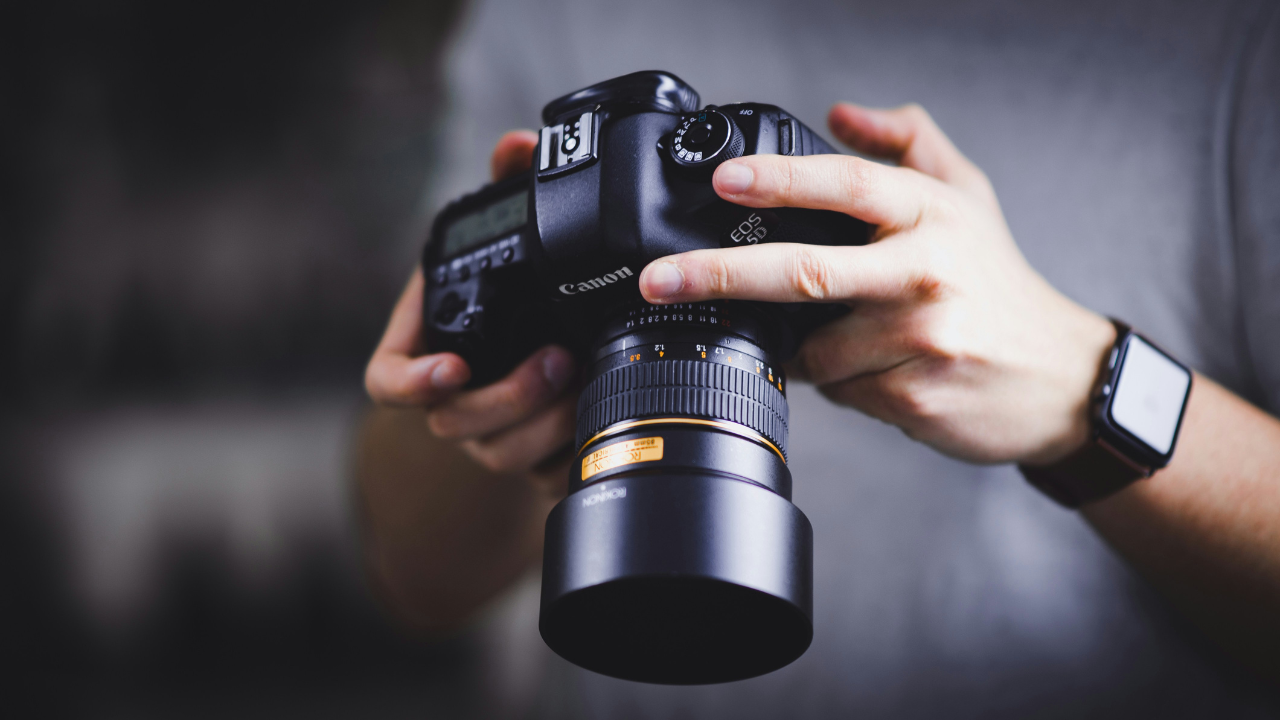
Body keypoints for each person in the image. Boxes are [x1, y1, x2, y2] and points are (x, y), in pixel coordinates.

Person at [358, 0, 1280, 715]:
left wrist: (1085, 388)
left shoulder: (1231, 37)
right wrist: (491, 384)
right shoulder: (545, 14)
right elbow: (413, 578)